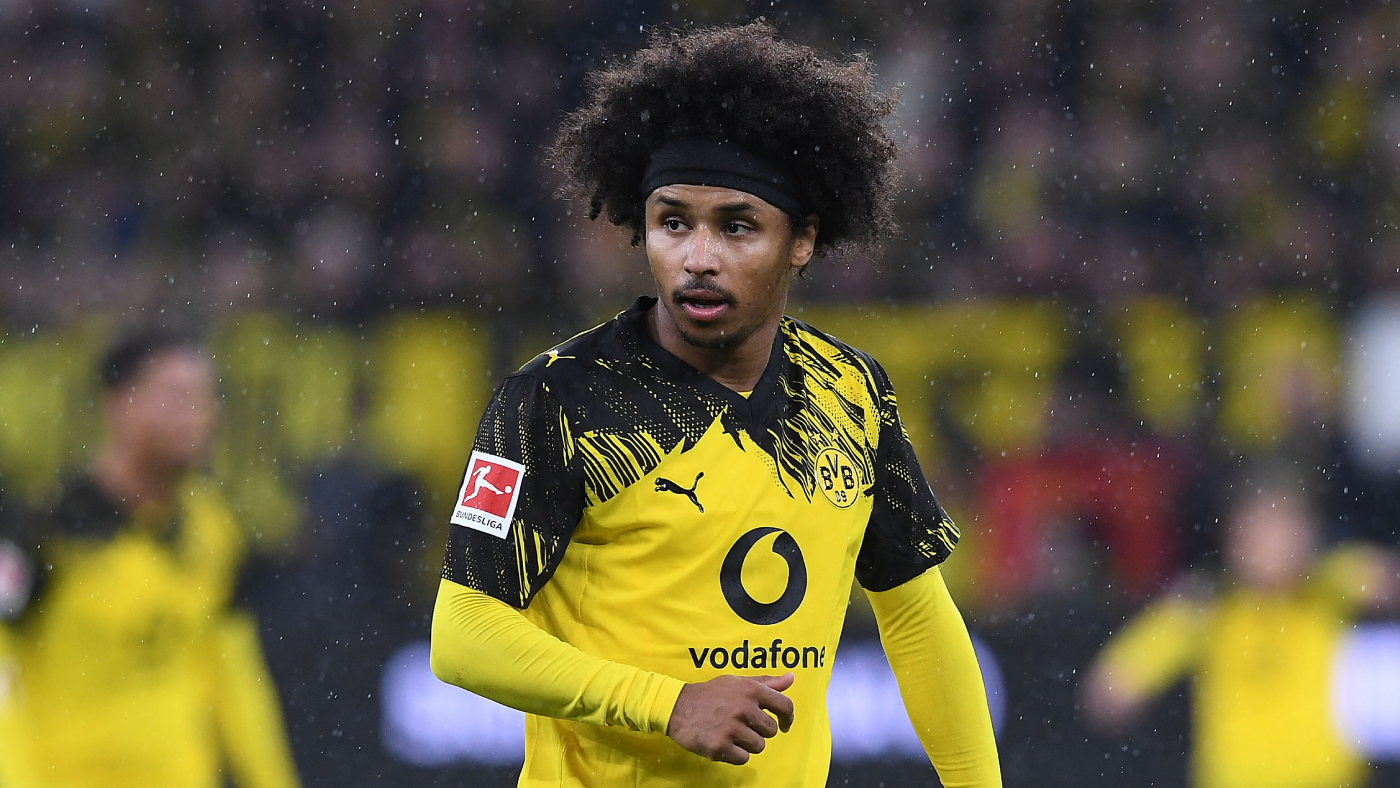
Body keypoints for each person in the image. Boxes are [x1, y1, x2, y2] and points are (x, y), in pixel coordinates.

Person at [429, 22, 1001, 788]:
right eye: (673, 222)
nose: (698, 258)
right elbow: (462, 632)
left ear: (802, 240)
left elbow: (916, 613)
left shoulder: (850, 392)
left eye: (737, 227)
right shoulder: (558, 398)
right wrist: (667, 704)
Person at [0, 331, 301, 788]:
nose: (200, 416)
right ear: (119, 403)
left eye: (207, 399)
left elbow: (235, 676)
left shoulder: (214, 527)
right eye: (178, 397)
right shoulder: (45, 532)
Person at [1082, 465, 1400, 788]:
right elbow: (1110, 688)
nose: (1281, 547)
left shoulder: (1332, 582)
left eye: (1291, 530)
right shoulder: (1206, 608)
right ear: (1237, 540)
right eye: (1266, 533)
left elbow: (1384, 577)